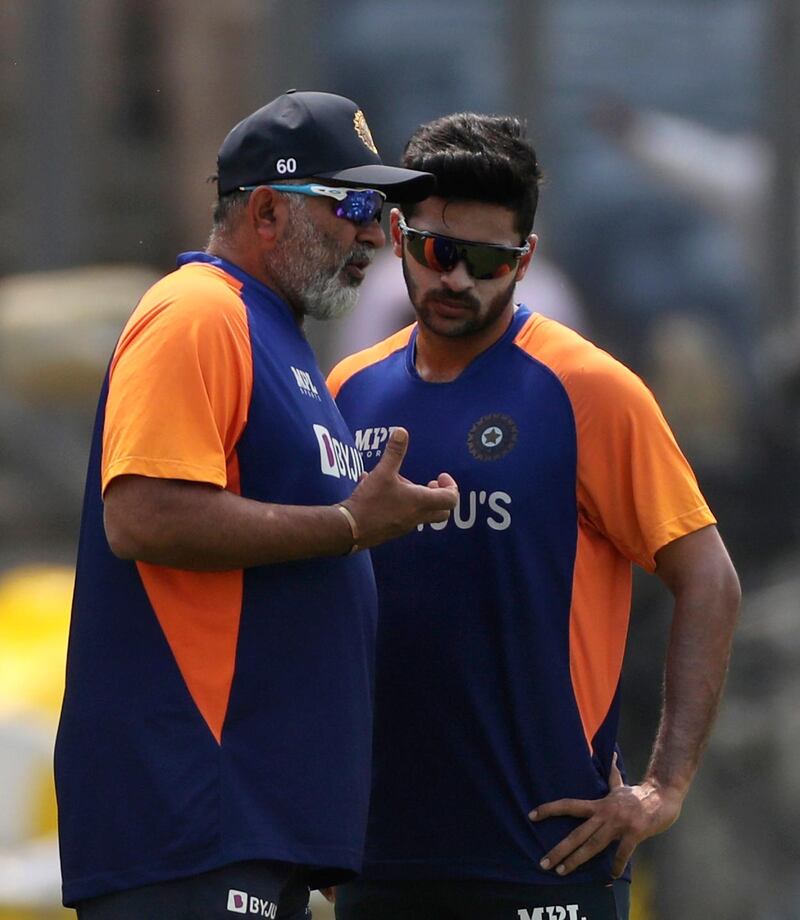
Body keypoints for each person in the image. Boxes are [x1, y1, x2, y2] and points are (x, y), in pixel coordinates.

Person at [54, 90, 459, 920]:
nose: (377, 236)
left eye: (381, 211)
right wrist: (350, 527)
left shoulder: (275, 335)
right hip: (195, 810)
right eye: (352, 206)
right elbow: (141, 514)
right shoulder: (196, 314)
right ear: (268, 211)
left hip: (255, 819)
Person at [327, 112, 741, 920]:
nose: (458, 280)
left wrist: (664, 788)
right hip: (376, 857)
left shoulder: (590, 390)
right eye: (440, 252)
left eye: (489, 261)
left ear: (527, 260)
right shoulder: (349, 390)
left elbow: (710, 581)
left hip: (546, 858)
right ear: (400, 238)